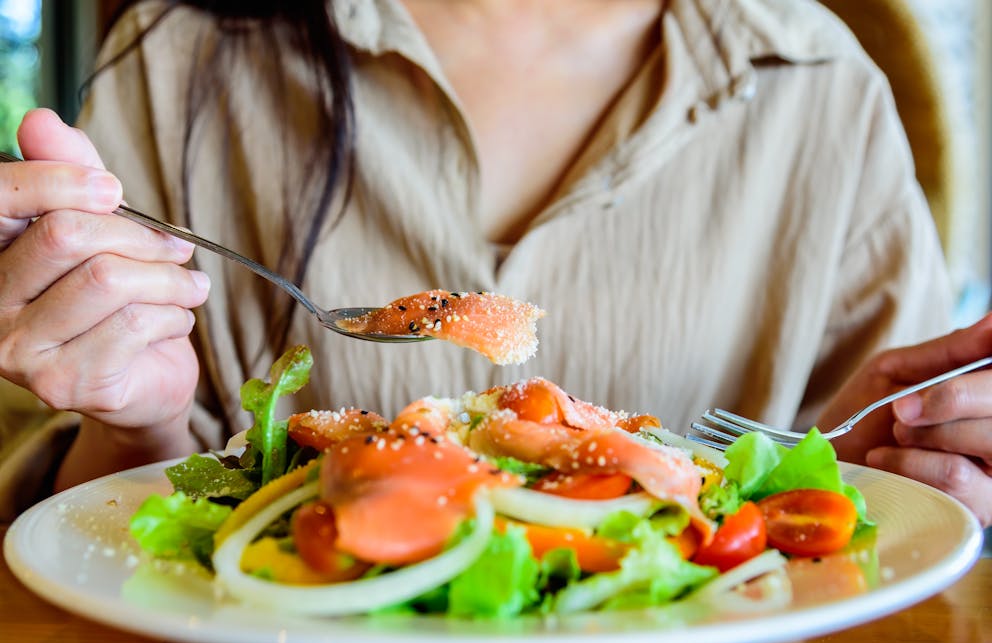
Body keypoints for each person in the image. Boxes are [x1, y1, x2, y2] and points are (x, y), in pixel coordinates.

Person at [0, 0, 988, 528]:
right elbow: (115, 550)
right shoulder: (181, 58)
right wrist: (137, 422)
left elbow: (880, 508)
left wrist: (903, 472)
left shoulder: (820, 89)